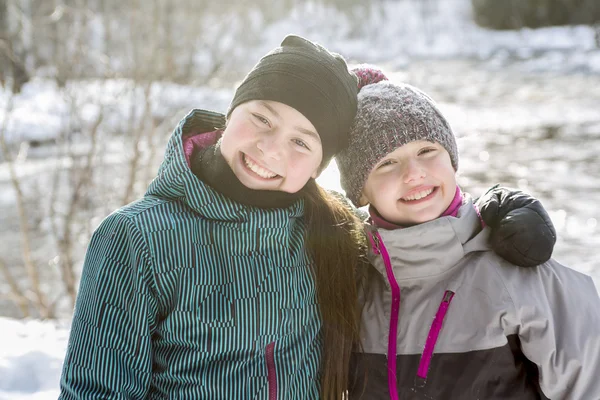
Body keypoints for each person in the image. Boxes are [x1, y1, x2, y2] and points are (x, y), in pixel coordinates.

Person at [59, 36, 555, 399]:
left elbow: (425, 237)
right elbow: (94, 392)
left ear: (318, 166)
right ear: (230, 113)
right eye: (262, 117)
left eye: (302, 141)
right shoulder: (136, 238)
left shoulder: (332, 231)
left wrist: (501, 207)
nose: (271, 150)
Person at [337, 66, 600, 399]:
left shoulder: (520, 273)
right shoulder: (350, 283)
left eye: (426, 151)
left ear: (452, 161)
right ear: (360, 192)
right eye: (387, 163)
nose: (414, 173)